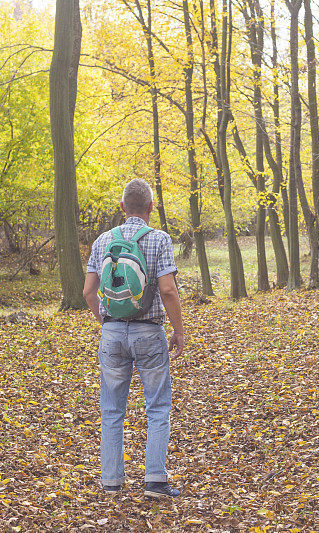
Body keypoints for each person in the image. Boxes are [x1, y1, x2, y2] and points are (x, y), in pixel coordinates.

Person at [83, 178, 185, 498]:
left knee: (112, 410)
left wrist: (108, 322)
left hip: (112, 332)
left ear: (123, 207)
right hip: (149, 333)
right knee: (157, 406)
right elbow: (167, 290)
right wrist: (179, 330)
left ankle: (111, 482)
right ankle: (155, 481)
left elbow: (88, 291)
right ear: (151, 208)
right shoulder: (159, 239)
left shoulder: (102, 241)